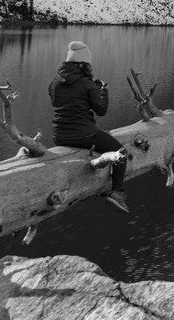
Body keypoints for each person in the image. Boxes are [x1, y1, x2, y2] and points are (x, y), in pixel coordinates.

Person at [49, 41, 129, 214]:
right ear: (81, 64)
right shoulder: (87, 84)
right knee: (121, 152)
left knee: (101, 138)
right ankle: (117, 193)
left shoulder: (54, 82)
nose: (90, 67)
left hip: (59, 136)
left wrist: (92, 89)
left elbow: (62, 103)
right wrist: (103, 92)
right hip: (83, 135)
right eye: (88, 64)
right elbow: (101, 110)